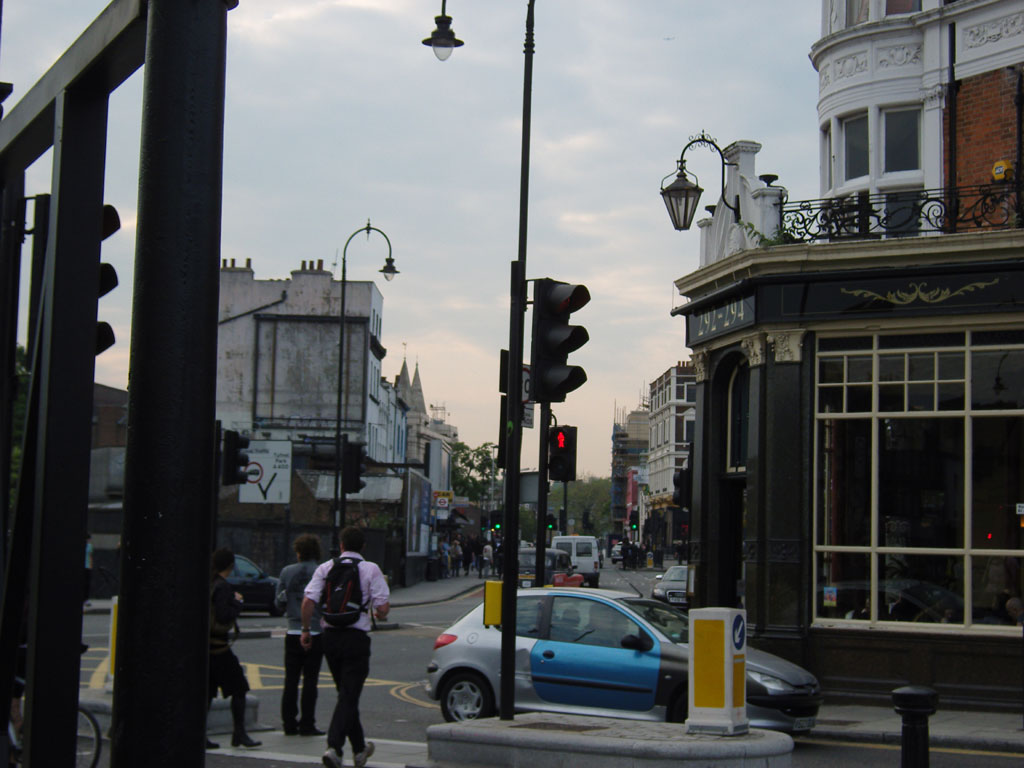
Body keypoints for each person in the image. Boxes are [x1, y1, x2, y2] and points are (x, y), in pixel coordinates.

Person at [302, 526, 390, 768]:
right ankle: (334, 747)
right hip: (356, 638)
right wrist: (378, 612)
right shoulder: (371, 569)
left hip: (330, 637)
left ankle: (360, 749)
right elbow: (383, 609)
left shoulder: (325, 568)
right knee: (349, 695)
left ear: (341, 545)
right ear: (363, 547)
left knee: (346, 694)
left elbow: (308, 601)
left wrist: (306, 630)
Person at [209, 548, 261, 749]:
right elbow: (224, 615)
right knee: (239, 687)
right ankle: (239, 733)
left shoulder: (211, 583)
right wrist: (237, 603)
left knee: (207, 693)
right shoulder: (223, 587)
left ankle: (200, 735)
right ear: (231, 566)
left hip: (208, 648)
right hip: (219, 648)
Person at [276, 534, 326, 736]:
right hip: (315, 630)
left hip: (293, 630)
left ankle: (289, 723)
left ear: (298, 552)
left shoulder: (287, 572)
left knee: (291, 680)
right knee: (310, 681)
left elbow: (278, 603)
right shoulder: (321, 572)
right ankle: (307, 724)